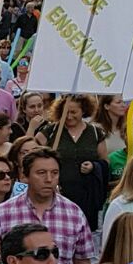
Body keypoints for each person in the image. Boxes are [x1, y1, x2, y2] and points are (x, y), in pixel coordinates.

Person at [0, 148, 94, 264]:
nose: (49, 179)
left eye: (54, 173)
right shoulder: (2, 213)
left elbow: (82, 263)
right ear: (25, 176)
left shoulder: (74, 213)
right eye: (41, 173)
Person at [39, 94, 108, 222]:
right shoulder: (52, 130)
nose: (69, 116)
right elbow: (33, 151)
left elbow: (105, 161)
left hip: (87, 196)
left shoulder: (95, 133)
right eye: (66, 112)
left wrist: (93, 166)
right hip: (58, 193)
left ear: (84, 111)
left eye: (73, 112)